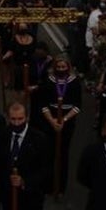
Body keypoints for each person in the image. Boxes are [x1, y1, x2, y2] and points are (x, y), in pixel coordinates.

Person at [34, 57, 82, 197]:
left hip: (67, 121)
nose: (61, 69)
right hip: (50, 120)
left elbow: (78, 106)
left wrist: (64, 120)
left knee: (63, 155)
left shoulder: (74, 83)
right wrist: (52, 121)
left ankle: (61, 187)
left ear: (68, 67)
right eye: (59, 67)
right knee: (48, 154)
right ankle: (48, 185)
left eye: (63, 67)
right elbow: (43, 104)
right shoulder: (49, 82)